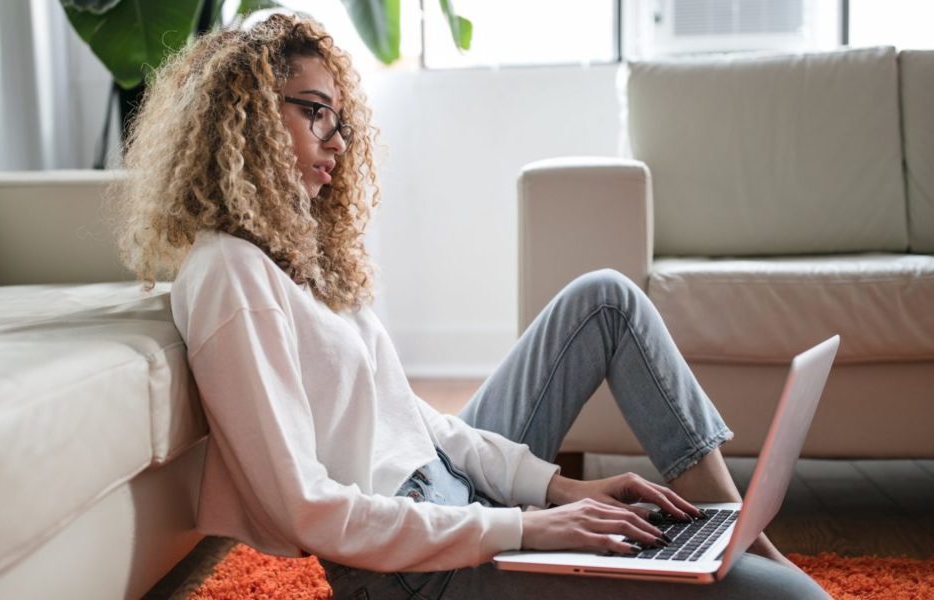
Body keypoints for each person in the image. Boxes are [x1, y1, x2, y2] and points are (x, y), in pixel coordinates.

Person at [114, 13, 830, 600]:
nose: (336, 140)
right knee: (790, 599)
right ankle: (738, 554)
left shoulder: (301, 262)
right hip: (411, 573)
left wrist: (557, 488)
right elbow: (304, 507)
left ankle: (734, 530)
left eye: (341, 121)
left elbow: (414, 420)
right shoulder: (229, 275)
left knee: (605, 300)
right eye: (315, 113)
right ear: (245, 121)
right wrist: (524, 527)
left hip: (457, 504)